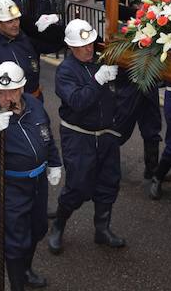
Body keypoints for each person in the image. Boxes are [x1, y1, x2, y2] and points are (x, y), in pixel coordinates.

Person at [0, 62, 62, 291]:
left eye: (11, 91)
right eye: (0, 92)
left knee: (37, 228)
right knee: (14, 241)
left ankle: (26, 270)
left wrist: (55, 163)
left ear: (22, 89)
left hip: (38, 183)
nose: (6, 97)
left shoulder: (35, 107)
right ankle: (17, 284)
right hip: (9, 186)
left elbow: (46, 136)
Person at [0, 0, 58, 228]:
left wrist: (53, 27)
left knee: (37, 144)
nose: (15, 23)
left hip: (33, 102)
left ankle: (37, 199)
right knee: (1, 156)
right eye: (9, 20)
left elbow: (50, 47)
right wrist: (3, 94)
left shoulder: (24, 38)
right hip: (7, 107)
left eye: (17, 18)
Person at [48, 20, 128, 254]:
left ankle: (102, 230)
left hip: (105, 134)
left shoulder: (101, 61)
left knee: (109, 182)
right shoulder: (65, 71)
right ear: (71, 47)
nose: (88, 49)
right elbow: (78, 102)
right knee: (78, 185)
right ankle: (58, 226)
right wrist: (97, 80)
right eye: (82, 46)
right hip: (78, 135)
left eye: (90, 43)